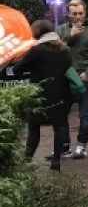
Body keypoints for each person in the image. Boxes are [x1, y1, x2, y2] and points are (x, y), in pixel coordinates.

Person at [5, 21, 73, 171]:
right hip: (62, 94)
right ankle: (56, 161)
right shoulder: (64, 49)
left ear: (38, 33)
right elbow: (68, 68)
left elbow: (18, 69)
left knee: (34, 127)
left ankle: (27, 160)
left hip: (39, 95)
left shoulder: (37, 50)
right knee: (60, 126)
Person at [55, 0, 88, 159]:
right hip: (65, 77)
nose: (78, 17)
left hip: (83, 78)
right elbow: (55, 50)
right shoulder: (60, 30)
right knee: (61, 114)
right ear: (68, 14)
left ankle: (81, 146)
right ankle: (64, 147)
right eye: (74, 14)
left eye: (80, 13)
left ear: (85, 13)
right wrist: (70, 36)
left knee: (85, 114)